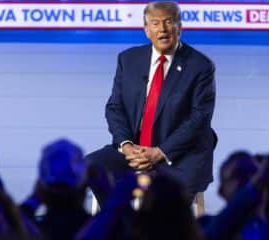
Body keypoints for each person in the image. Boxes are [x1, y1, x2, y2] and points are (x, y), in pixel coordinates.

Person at [86, 1, 217, 211]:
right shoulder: (128, 59)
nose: (162, 29)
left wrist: (159, 152)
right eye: (155, 23)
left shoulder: (200, 66)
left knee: (164, 202)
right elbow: (115, 107)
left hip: (179, 156)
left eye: (168, 22)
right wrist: (127, 146)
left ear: (179, 27)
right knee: (91, 167)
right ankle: (119, 221)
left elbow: (199, 119)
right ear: (147, 30)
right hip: (134, 151)